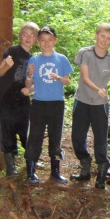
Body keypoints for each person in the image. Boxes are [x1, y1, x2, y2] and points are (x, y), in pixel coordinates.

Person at [71, 23, 110, 189]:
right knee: (77, 137)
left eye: (109, 38)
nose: (104, 41)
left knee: (100, 139)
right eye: (102, 36)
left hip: (100, 105)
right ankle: (85, 164)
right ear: (96, 35)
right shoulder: (85, 53)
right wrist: (98, 89)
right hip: (82, 101)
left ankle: (101, 173)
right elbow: (85, 77)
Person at [24, 26, 73, 184]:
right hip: (38, 103)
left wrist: (58, 77)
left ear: (55, 41)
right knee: (35, 136)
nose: (46, 43)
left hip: (57, 103)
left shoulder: (61, 59)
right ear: (38, 41)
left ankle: (55, 171)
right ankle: (31, 170)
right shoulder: (34, 60)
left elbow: (67, 82)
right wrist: (29, 74)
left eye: (50, 39)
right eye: (43, 40)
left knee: (55, 136)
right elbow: (29, 84)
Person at [0, 21, 39, 177]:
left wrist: (30, 90)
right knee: (7, 130)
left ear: (36, 39)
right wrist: (6, 65)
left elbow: (35, 82)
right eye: (25, 34)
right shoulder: (13, 51)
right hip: (4, 98)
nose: (28, 38)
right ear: (20, 36)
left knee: (25, 129)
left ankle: (31, 160)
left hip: (22, 99)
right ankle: (10, 166)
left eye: (32, 35)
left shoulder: (33, 59)